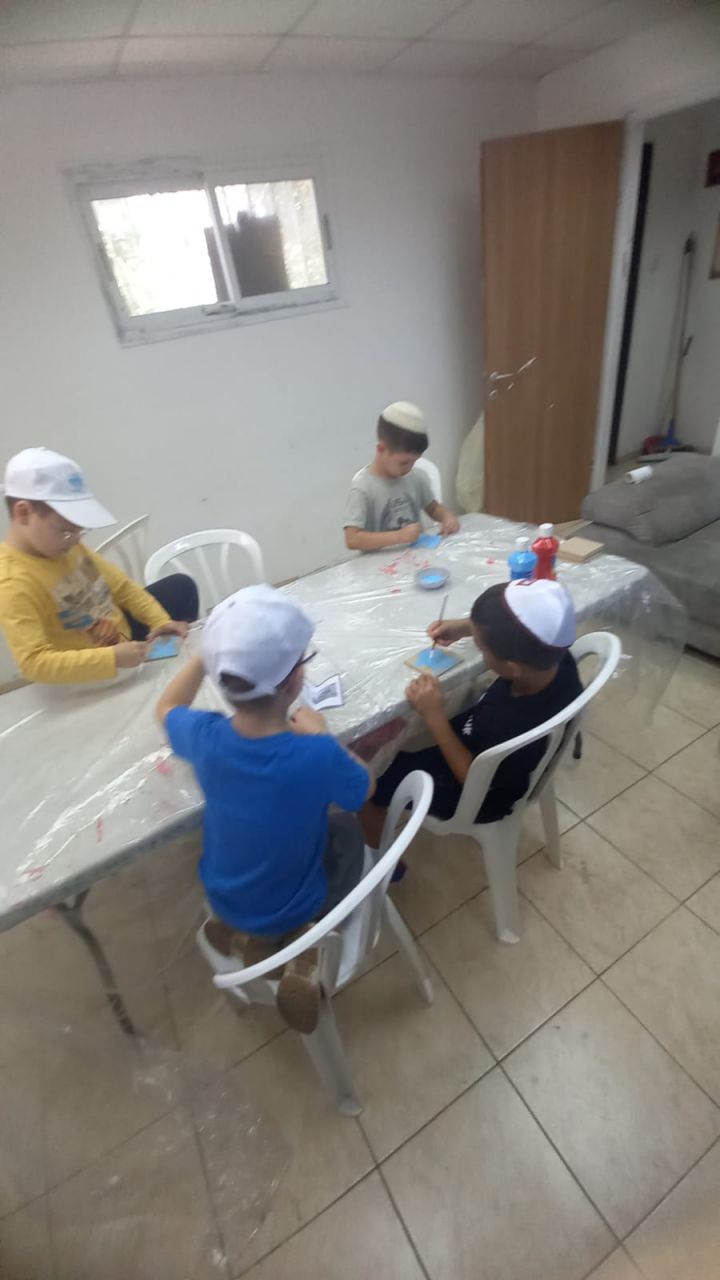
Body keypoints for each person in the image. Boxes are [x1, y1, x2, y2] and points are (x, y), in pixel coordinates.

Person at [155, 584, 373, 1034]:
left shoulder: (206, 736)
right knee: (348, 832)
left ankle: (245, 936)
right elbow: (363, 788)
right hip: (297, 904)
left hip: (224, 898)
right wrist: (320, 733)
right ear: (295, 681)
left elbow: (166, 707)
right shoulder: (316, 755)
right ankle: (302, 945)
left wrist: (206, 655)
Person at [362, 578, 583, 848]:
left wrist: (435, 718)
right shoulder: (551, 657)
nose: (478, 647)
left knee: (368, 779)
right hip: (481, 738)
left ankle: (380, 856)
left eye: (480, 646)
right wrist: (466, 627)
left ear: (512, 668)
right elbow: (520, 627)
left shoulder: (515, 725)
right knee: (400, 732)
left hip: (477, 793)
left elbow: (475, 780)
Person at [0, 447, 198, 684]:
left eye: (80, 530)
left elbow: (123, 588)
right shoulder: (12, 583)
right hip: (87, 667)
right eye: (66, 531)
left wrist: (160, 621)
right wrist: (112, 658)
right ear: (23, 513)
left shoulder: (68, 546)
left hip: (122, 638)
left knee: (181, 586)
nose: (76, 540)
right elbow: (34, 663)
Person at [344, 401, 460, 552]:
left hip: (414, 557)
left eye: (414, 461)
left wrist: (447, 517)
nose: (409, 468)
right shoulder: (363, 487)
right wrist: (398, 536)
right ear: (381, 449)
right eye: (404, 463)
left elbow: (433, 508)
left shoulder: (415, 478)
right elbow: (352, 539)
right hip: (377, 564)